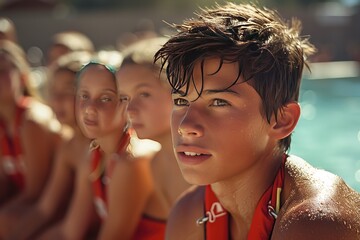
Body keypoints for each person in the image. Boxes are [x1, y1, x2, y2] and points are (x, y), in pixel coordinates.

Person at [154, 3, 360, 239]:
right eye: (181, 101)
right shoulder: (189, 213)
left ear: (282, 121)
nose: (186, 126)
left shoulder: (316, 223)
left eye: (219, 102)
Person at [39, 56, 159, 239]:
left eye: (105, 98)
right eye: (84, 96)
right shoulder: (94, 154)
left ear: (125, 102)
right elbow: (69, 231)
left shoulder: (131, 161)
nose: (89, 108)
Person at [6, 51, 93, 240]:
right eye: (54, 92)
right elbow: (44, 208)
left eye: (68, 91)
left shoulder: (94, 148)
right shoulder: (69, 145)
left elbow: (71, 231)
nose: (57, 100)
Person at [116, 37, 191, 239]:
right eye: (124, 97)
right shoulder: (155, 163)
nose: (130, 109)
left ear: (179, 93)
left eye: (144, 94)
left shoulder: (203, 167)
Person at [0, 40, 62, 237]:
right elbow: (5, 184)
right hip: (30, 204)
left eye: (2, 71)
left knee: (7, 219)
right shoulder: (2, 122)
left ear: (23, 77)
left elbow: (35, 191)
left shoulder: (32, 121)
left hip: (56, 207)